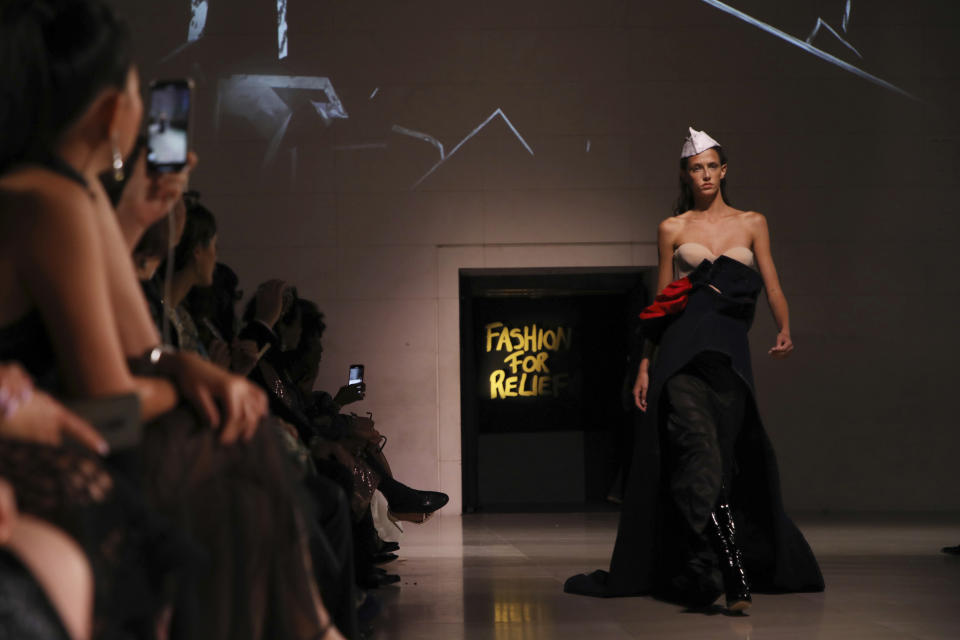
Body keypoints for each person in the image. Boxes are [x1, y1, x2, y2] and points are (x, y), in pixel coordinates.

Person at [0, 1, 343, 637]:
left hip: (78, 422)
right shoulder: (48, 199)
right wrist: (195, 389)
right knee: (234, 443)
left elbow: (144, 346)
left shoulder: (70, 193)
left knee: (242, 442)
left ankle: (307, 626)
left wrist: (184, 368)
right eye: (136, 87)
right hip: (66, 429)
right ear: (111, 112)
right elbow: (112, 400)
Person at [565, 127, 824, 611]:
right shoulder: (673, 228)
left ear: (724, 171)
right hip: (680, 360)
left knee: (721, 466)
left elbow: (772, 284)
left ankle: (703, 565)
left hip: (730, 362)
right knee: (700, 457)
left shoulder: (753, 223)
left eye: (712, 166)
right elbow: (662, 303)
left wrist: (784, 327)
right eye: (696, 168)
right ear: (687, 174)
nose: (705, 174)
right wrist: (644, 364)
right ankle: (731, 574)